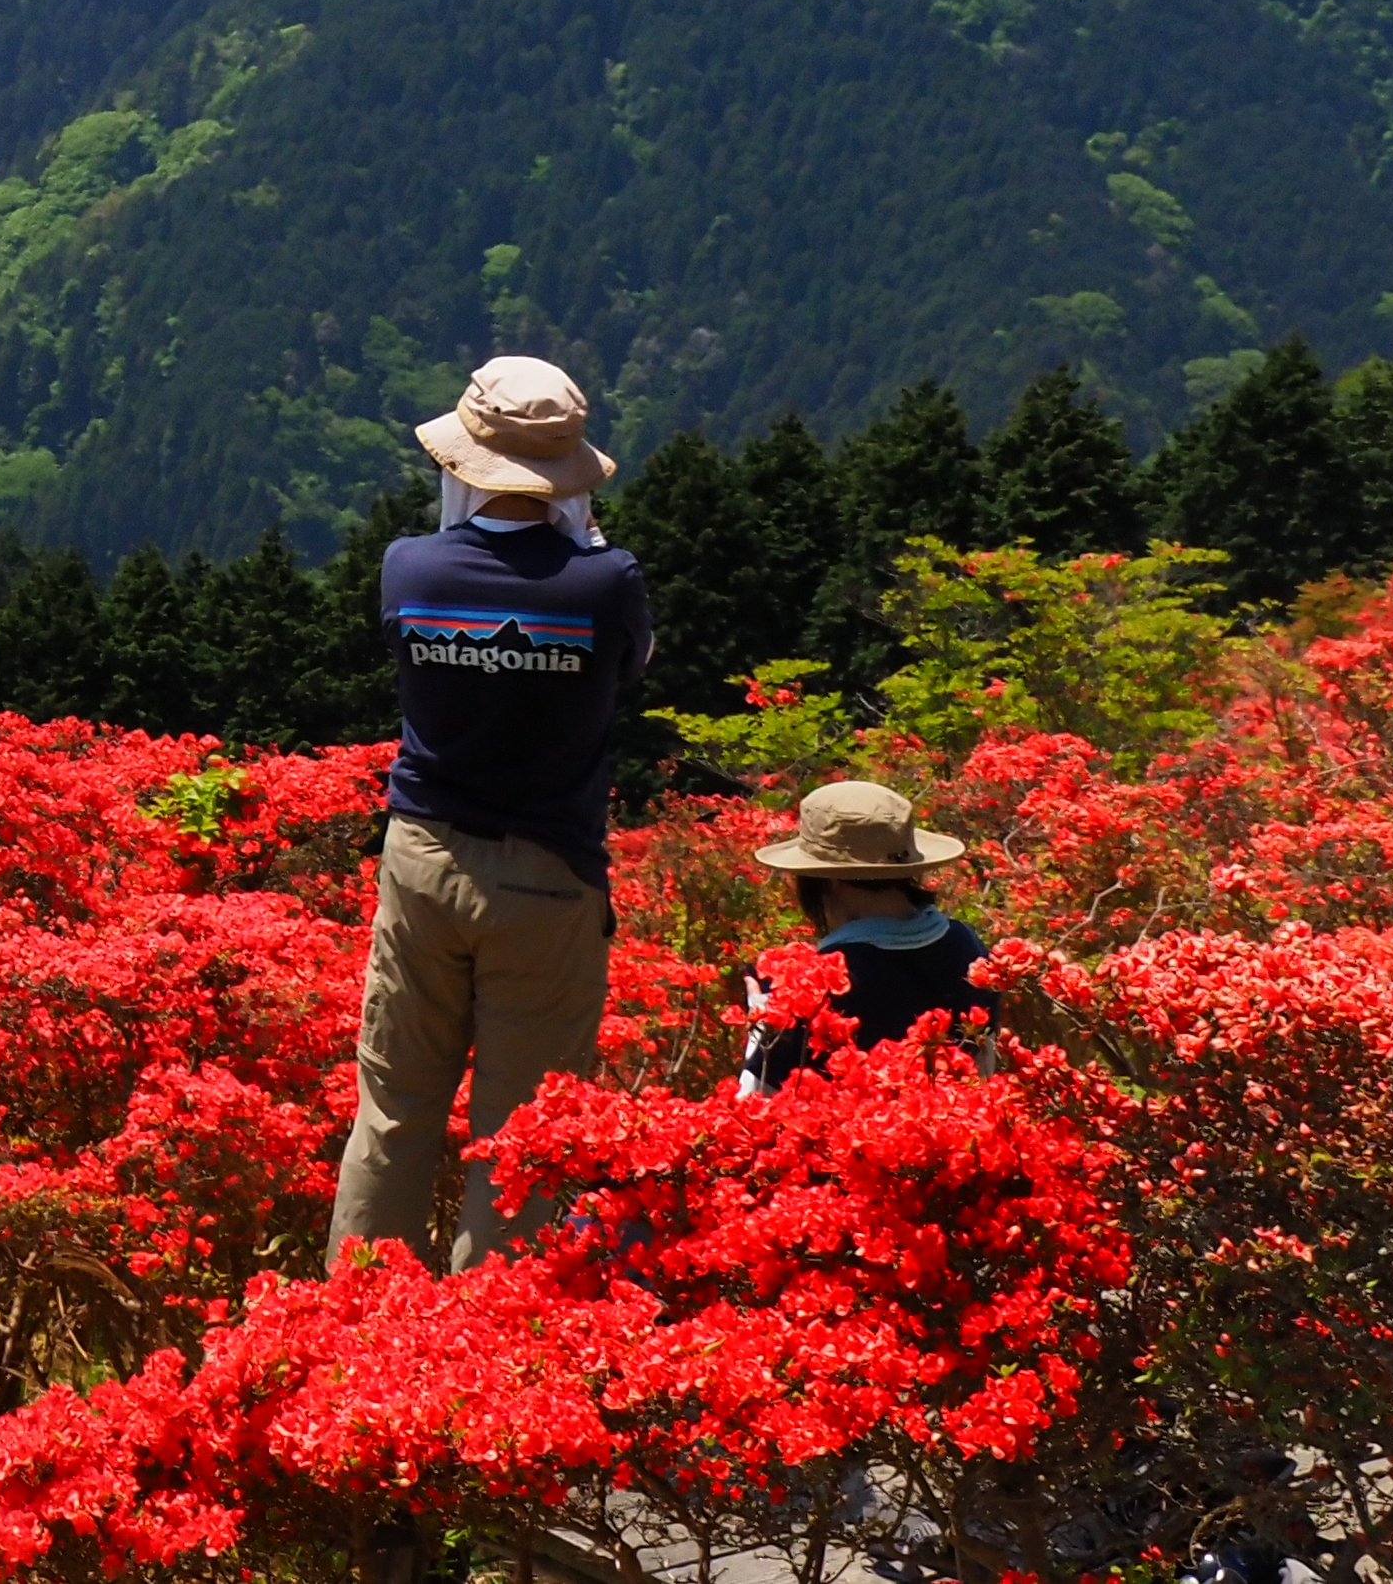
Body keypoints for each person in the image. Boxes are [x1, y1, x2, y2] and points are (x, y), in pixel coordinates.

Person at [326, 355, 656, 1270]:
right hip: (549, 881)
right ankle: (493, 1353)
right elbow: (631, 669)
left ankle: (355, 1329)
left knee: (393, 1112)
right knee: (525, 1138)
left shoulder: (408, 566)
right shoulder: (606, 581)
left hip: (423, 857)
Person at [733, 780, 988, 1094]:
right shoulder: (968, 945)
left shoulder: (813, 990)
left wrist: (766, 1023)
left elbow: (756, 1105)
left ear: (830, 879)